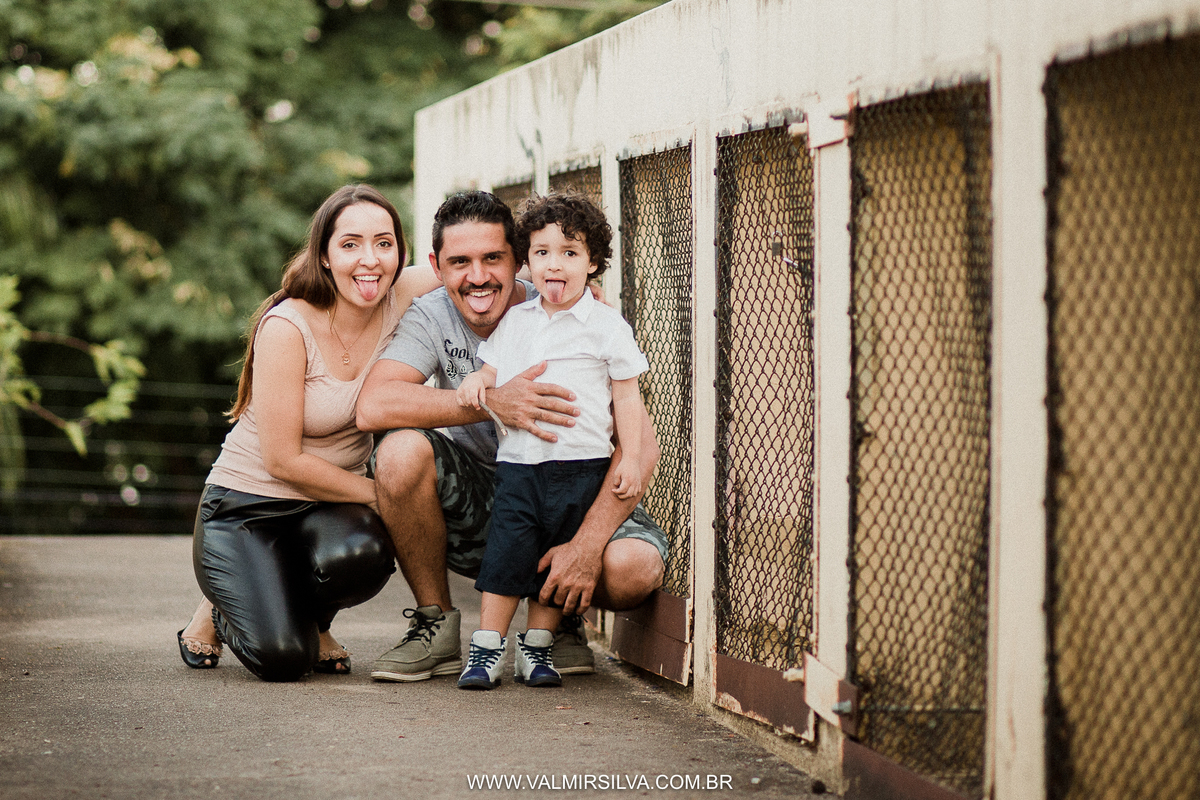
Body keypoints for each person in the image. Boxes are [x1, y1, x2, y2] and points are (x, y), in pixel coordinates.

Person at [356, 190, 668, 685]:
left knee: (634, 567)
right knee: (398, 453)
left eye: (492, 259)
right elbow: (373, 406)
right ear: (437, 267)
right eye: (460, 262)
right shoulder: (434, 314)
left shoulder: (580, 313)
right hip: (494, 492)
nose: (478, 276)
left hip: (577, 484)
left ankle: (560, 618)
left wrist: (585, 547)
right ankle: (436, 626)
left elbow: (641, 445)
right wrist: (490, 401)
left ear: (517, 261)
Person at [176, 184, 441, 682]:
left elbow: (477, 267)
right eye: (350, 244)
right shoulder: (288, 326)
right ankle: (219, 605)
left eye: (384, 243)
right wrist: (383, 496)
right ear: (324, 256)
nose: (370, 260)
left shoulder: (400, 294)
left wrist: (566, 289)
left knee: (363, 556)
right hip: (246, 509)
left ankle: (315, 621)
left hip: (326, 507)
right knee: (283, 661)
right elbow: (282, 461)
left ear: (400, 252)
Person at [453, 191, 650, 690]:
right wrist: (478, 383)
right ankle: (485, 650)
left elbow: (626, 396)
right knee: (507, 554)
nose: (554, 264)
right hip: (520, 466)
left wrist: (629, 456)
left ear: (593, 262)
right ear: (527, 262)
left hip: (583, 467)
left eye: (570, 252)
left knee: (553, 558)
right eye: (541, 252)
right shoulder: (517, 319)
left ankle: (536, 650)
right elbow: (491, 370)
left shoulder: (607, 326)